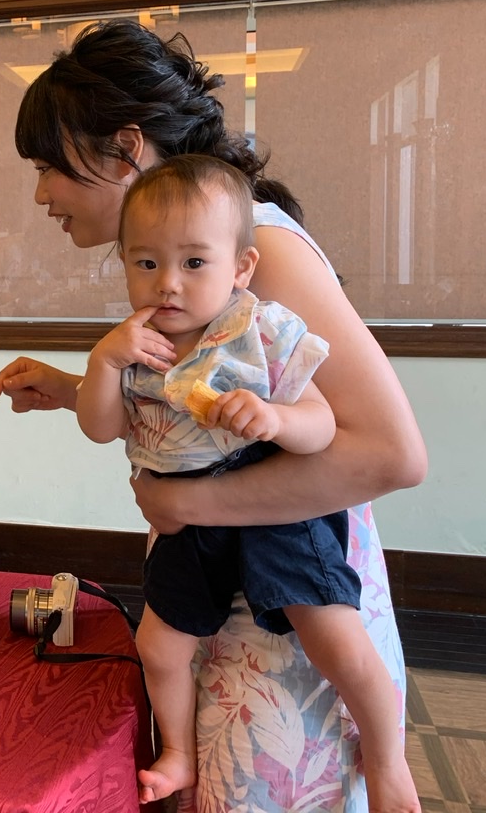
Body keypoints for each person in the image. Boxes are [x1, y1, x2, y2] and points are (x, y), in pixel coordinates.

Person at [0, 20, 427, 813]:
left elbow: (391, 455)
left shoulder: (260, 243)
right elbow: (186, 396)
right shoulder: (185, 264)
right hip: (223, 588)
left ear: (126, 149)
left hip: (292, 618)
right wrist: (65, 385)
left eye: (51, 166)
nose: (40, 193)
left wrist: (189, 503)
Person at [75, 156, 418, 811]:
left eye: (193, 264)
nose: (167, 284)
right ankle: (177, 753)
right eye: (145, 264)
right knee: (157, 644)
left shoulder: (260, 331)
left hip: (274, 507)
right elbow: (102, 426)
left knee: (335, 637)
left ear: (241, 268)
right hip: (190, 529)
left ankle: (386, 759)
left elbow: (322, 424)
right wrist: (101, 363)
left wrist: (275, 418)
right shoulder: (137, 345)